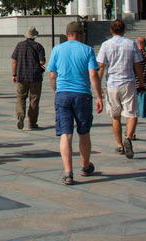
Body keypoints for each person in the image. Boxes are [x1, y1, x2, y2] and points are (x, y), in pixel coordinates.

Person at [48, 21, 104, 185]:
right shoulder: (87, 50)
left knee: (66, 134)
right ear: (81, 34)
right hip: (82, 94)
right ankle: (85, 166)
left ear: (67, 34)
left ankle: (68, 172)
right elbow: (93, 75)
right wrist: (99, 96)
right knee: (83, 132)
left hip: (63, 94)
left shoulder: (57, 49)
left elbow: (52, 75)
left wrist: (57, 91)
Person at [97, 19, 145, 158]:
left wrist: (98, 86)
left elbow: (101, 66)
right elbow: (137, 65)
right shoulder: (131, 44)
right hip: (128, 82)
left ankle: (119, 145)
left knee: (115, 116)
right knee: (132, 114)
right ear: (124, 30)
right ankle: (128, 138)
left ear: (111, 31)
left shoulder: (106, 45)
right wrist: (141, 83)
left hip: (112, 84)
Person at [11, 25, 46, 129]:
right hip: (35, 76)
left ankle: (20, 114)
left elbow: (14, 61)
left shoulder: (19, 45)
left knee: (21, 97)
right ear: (35, 36)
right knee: (34, 98)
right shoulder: (38, 46)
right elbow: (42, 61)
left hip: (21, 76)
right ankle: (32, 122)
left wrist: (14, 74)